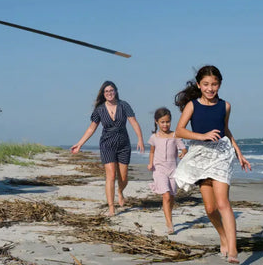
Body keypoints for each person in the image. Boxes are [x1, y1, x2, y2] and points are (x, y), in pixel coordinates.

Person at [173, 65, 251, 264]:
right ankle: (223, 236)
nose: (210, 88)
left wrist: (239, 153)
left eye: (214, 84)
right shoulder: (192, 105)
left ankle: (233, 251)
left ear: (220, 84)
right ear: (199, 85)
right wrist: (202, 136)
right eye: (206, 84)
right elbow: (179, 131)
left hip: (221, 155)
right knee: (209, 208)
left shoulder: (225, 106)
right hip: (200, 155)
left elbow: (226, 130)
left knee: (223, 202)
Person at [71, 81, 145, 216]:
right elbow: (91, 128)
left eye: (111, 90)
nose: (109, 93)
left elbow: (134, 122)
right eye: (106, 91)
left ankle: (120, 192)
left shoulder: (124, 105)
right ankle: (111, 207)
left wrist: (140, 139)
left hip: (123, 144)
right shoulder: (99, 109)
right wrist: (80, 143)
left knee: (124, 178)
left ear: (115, 91)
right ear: (103, 94)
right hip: (107, 144)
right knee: (110, 176)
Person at [147, 107, 187, 235]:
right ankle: (169, 223)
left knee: (171, 196)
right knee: (166, 194)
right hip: (159, 169)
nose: (165, 124)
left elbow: (184, 149)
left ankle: (168, 213)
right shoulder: (154, 137)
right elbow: (152, 151)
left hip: (173, 170)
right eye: (162, 122)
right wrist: (150, 163)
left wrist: (182, 153)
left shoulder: (175, 135)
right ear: (157, 122)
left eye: (167, 122)